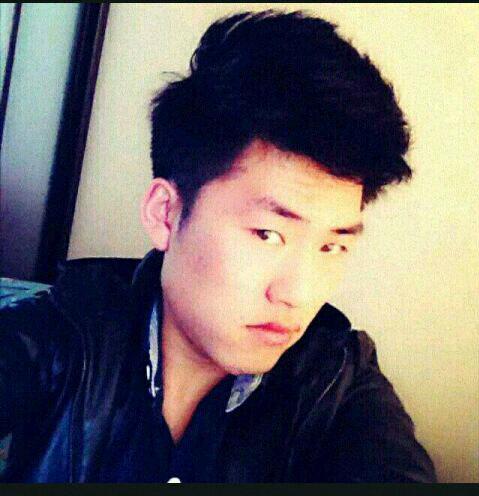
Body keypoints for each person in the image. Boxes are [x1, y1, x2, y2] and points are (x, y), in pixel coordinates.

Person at [0, 10, 437, 482]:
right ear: (165, 214)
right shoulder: (58, 341)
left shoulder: (336, 384)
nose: (298, 294)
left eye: (332, 246)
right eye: (268, 234)